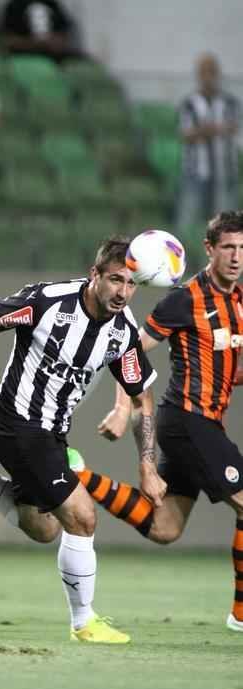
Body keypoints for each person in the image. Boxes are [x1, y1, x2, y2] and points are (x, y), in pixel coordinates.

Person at [0, 236, 167, 644]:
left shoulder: (122, 332)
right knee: (83, 517)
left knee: (43, 529)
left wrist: (147, 465)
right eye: (115, 280)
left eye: (131, 284)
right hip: (14, 424)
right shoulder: (46, 303)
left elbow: (142, 397)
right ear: (94, 275)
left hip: (52, 433)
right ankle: (84, 623)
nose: (123, 292)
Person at [68, 211, 243, 633]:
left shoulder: (238, 301)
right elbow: (127, 350)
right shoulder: (185, 300)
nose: (236, 257)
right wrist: (123, 407)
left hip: (206, 422)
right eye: (228, 248)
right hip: (187, 420)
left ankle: (77, 475)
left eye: (242, 248)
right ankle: (241, 614)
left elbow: (229, 366)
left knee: (165, 527)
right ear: (209, 249)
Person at [176, 54, 240, 229]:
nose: (208, 77)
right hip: (195, 171)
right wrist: (214, 129)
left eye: (212, 72)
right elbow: (186, 134)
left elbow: (233, 127)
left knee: (226, 225)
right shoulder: (189, 103)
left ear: (217, 74)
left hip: (225, 171)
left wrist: (204, 130)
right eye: (204, 72)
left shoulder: (230, 102)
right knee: (187, 222)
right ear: (198, 75)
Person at [0, 0, 85, 63]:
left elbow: (64, 37)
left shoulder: (52, 4)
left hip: (56, 58)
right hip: (24, 58)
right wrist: (34, 44)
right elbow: (7, 40)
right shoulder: (14, 6)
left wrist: (54, 42)